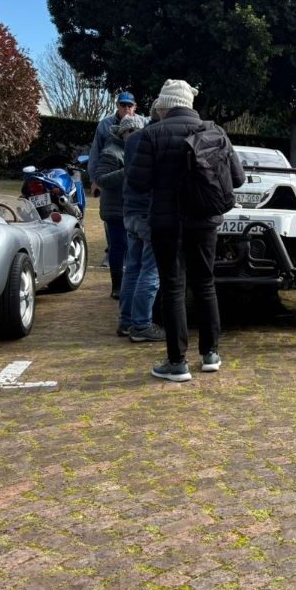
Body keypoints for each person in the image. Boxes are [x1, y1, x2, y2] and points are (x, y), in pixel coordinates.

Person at [126, 79, 244, 382]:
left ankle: (177, 362)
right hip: (205, 220)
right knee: (205, 283)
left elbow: (137, 183)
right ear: (189, 104)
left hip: (167, 222)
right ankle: (211, 354)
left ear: (164, 105)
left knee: (173, 287)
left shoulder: (151, 134)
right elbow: (238, 178)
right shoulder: (216, 132)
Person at [118, 110, 164, 343]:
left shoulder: (133, 139)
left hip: (130, 209)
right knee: (150, 270)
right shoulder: (156, 139)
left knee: (133, 267)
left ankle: (126, 321)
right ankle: (142, 324)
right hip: (148, 211)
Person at [94, 115, 145, 300]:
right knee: (118, 247)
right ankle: (117, 286)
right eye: (130, 131)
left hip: (131, 207)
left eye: (137, 131)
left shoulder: (140, 150)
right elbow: (101, 179)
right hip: (115, 208)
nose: (133, 135)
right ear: (122, 132)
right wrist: (127, 171)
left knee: (131, 248)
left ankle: (129, 284)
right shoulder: (111, 151)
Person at [88, 91, 136, 268]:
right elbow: (95, 152)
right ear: (117, 106)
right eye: (123, 105)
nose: (126, 108)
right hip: (110, 180)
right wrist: (94, 180)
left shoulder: (141, 123)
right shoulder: (105, 124)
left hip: (132, 188)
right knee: (113, 221)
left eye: (129, 105)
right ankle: (112, 253)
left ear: (134, 107)